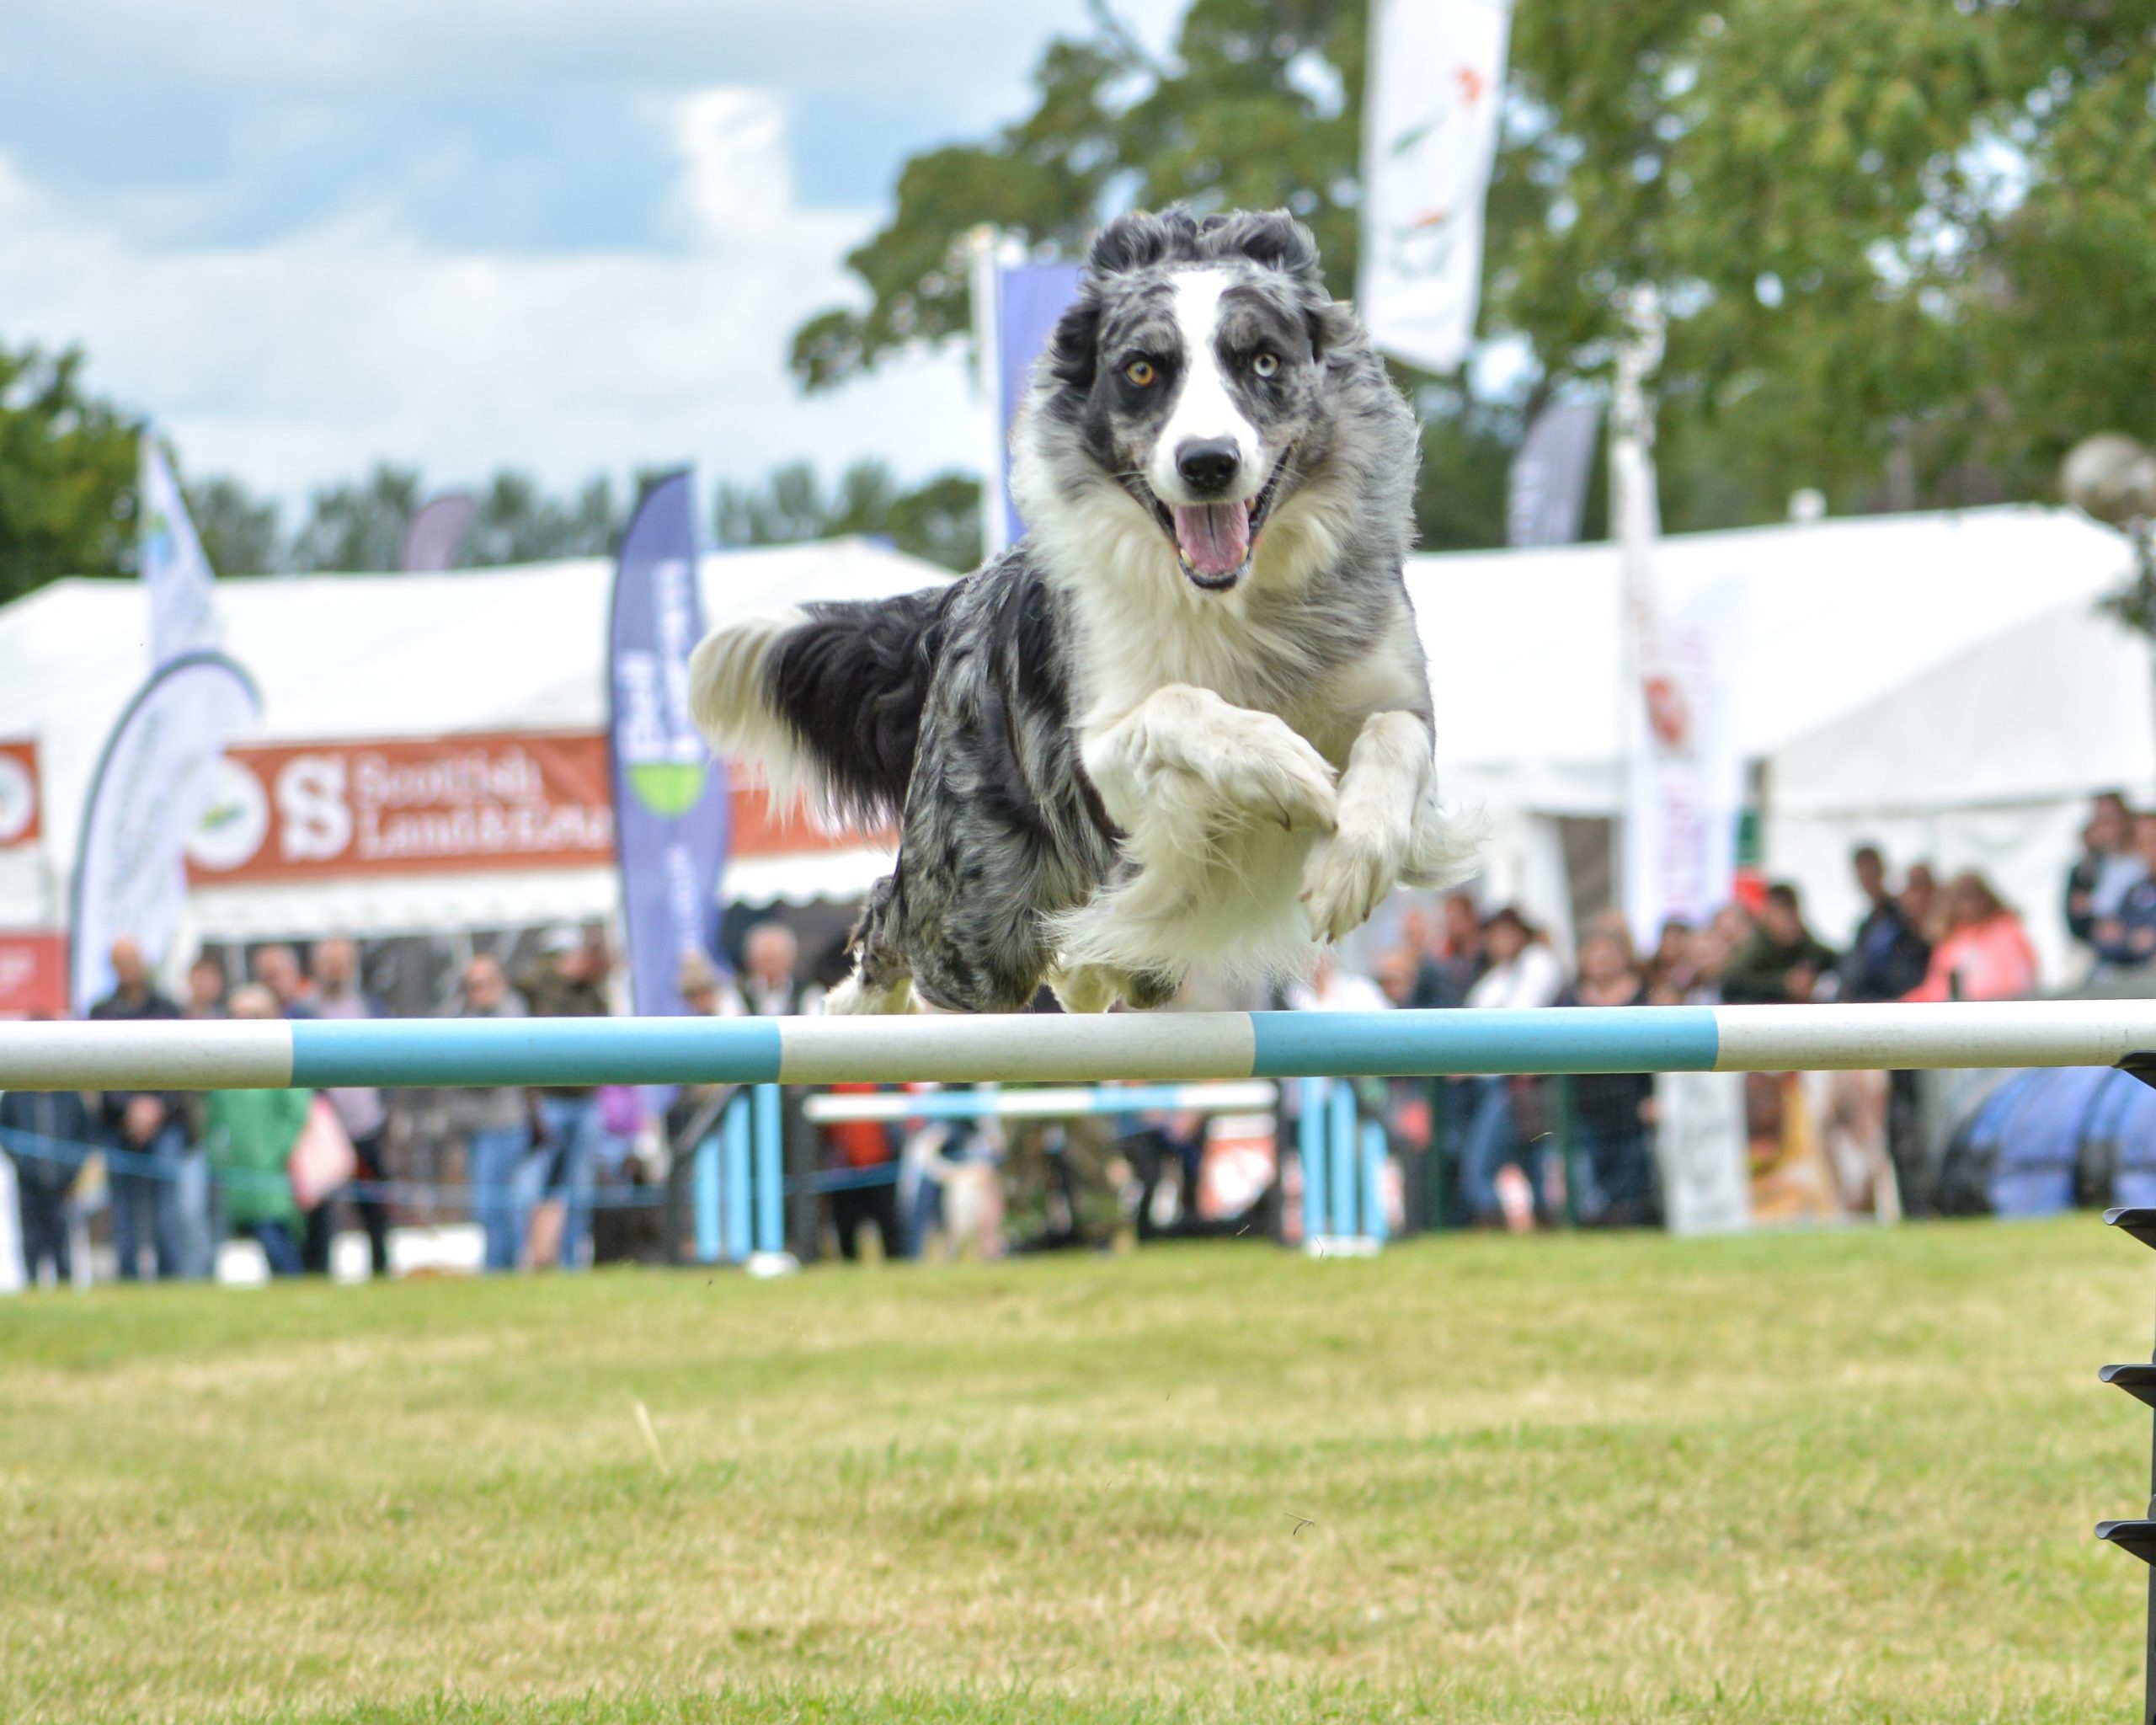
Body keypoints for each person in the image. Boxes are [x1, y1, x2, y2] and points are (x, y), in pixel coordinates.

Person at [88, 937, 189, 1280]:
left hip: (166, 1122)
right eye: (121, 960)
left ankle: (171, 1277)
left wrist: (156, 1107)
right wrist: (131, 1107)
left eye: (133, 959)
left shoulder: (168, 1007)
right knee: (123, 1209)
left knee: (166, 1208)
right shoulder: (99, 1012)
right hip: (118, 1124)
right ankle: (128, 1278)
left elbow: (184, 1066)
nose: (128, 967)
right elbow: (97, 1070)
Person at [1460, 908, 1565, 1228]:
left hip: (1521, 1083)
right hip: (1492, 1084)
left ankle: (1509, 1229)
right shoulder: (1494, 976)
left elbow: (1519, 1013)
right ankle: (1533, 1233)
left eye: (1507, 933)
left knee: (1482, 1167)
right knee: (1528, 1164)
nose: (1499, 941)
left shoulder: (1538, 961)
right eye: (1493, 934)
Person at [516, 927, 611, 1269]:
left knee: (579, 1188)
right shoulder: (540, 984)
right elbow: (525, 984)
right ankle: (523, 1260)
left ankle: (574, 1261)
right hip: (548, 1100)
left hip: (584, 1100)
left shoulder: (593, 992)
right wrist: (556, 973)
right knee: (530, 1186)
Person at [204, 985, 312, 1276]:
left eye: (249, 1015)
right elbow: (215, 1118)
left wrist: (277, 1149)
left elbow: (298, 1111)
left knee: (277, 1237)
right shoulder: (222, 1065)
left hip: (274, 1169)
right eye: (235, 1015)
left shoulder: (282, 1060)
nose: (241, 1021)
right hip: (237, 1170)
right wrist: (218, 1156)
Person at [1559, 916, 1657, 1227]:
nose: (1600, 958)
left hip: (1635, 1113)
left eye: (1608, 950)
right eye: (1593, 950)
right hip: (1584, 1113)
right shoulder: (1566, 1000)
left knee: (1631, 1195)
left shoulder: (1647, 999)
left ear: (1625, 957)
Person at [305, 938, 392, 1277]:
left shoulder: (371, 1008)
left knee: (375, 1208)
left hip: (368, 1125)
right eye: (329, 962)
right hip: (324, 1129)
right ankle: (318, 1273)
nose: (336, 969)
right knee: (320, 1209)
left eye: (342, 961)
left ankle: (381, 1270)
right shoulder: (305, 1012)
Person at [449, 954, 533, 1274]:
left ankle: (498, 1270)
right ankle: (501, 1268)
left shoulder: (511, 1014)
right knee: (493, 1205)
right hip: (477, 1127)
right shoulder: (464, 1015)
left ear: (499, 983)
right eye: (470, 986)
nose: (476, 992)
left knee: (494, 1205)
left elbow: (490, 1069)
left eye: (482, 984)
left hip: (505, 1126)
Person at [1, 1053, 92, 1285]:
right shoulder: (16, 1094)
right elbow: (5, 1130)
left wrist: (71, 1172)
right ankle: (31, 1285)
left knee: (62, 1243)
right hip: (29, 1183)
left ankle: (65, 1285)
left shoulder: (69, 1096)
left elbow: (84, 1134)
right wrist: (23, 1162)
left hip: (63, 1185)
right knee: (31, 1242)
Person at [1903, 873, 2038, 1002]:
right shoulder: (1950, 940)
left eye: (1975, 896)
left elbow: (2016, 983)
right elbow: (1935, 986)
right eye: (1964, 897)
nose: (1970, 904)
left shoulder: (2007, 933)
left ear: (1987, 897)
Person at [1838, 846, 1932, 1002]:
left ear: (1882, 871)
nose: (1868, 881)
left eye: (1872, 874)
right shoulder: (1865, 926)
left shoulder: (1905, 915)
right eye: (1863, 875)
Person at [1720, 884, 1838, 1006]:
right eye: (1781, 915)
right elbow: (1733, 983)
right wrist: (1783, 984)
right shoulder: (1757, 947)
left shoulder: (1804, 942)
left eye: (1790, 915)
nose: (1788, 924)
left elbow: (1833, 960)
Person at [2067, 792, 2146, 948]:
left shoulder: (2145, 859)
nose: (2108, 827)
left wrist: (2126, 929)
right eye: (2101, 819)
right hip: (2105, 952)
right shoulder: (2087, 869)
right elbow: (2076, 918)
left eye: (2111, 818)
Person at [2106, 814, 2156, 971]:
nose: (2150, 847)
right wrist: (2131, 940)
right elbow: (2108, 940)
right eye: (2143, 842)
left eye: (2153, 838)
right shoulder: (2135, 891)